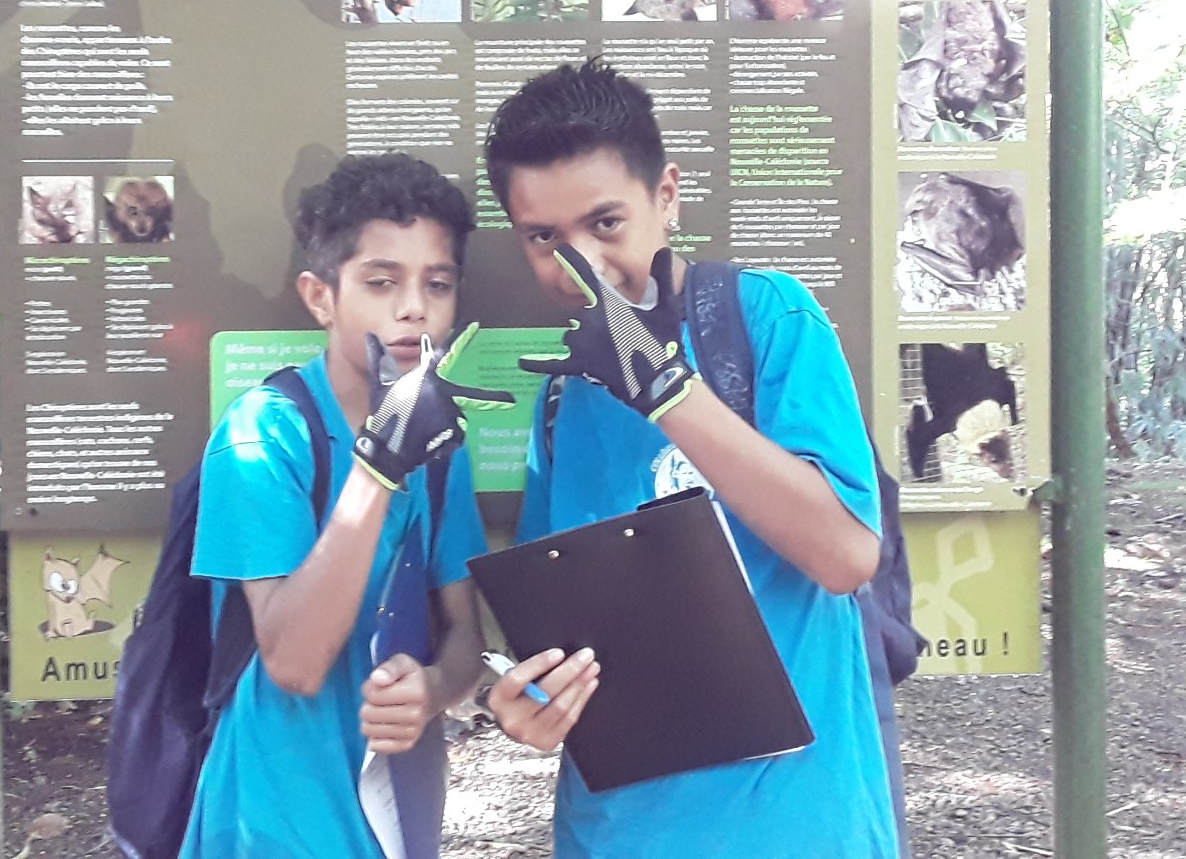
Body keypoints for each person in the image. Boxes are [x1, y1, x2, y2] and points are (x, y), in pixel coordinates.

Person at [479, 59, 898, 857]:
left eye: (606, 223)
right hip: (616, 831)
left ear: (666, 196)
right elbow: (556, 625)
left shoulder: (765, 316)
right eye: (545, 237)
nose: (581, 263)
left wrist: (666, 388)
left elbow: (846, 555)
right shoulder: (562, 399)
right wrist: (526, 700)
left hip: (794, 824)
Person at [181, 152, 504, 858]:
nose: (413, 307)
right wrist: (380, 464)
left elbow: (463, 634)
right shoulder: (263, 433)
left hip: (394, 819)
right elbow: (295, 662)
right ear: (321, 296)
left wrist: (432, 688)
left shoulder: (442, 448)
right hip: (274, 821)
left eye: (438, 283)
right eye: (381, 281)